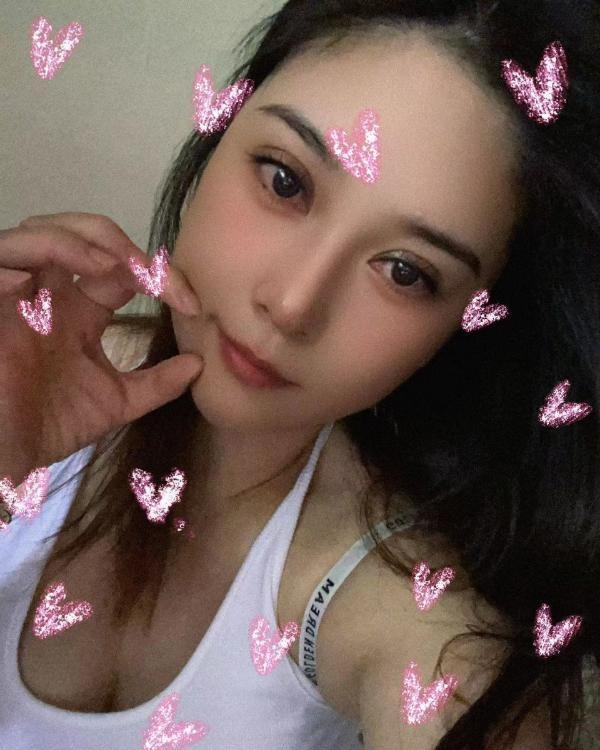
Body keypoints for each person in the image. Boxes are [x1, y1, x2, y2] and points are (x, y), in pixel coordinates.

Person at [0, 0, 598, 748]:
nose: (291, 306)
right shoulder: (33, 371)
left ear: (468, 321)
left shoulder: (418, 628)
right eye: (285, 182)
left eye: (405, 271)